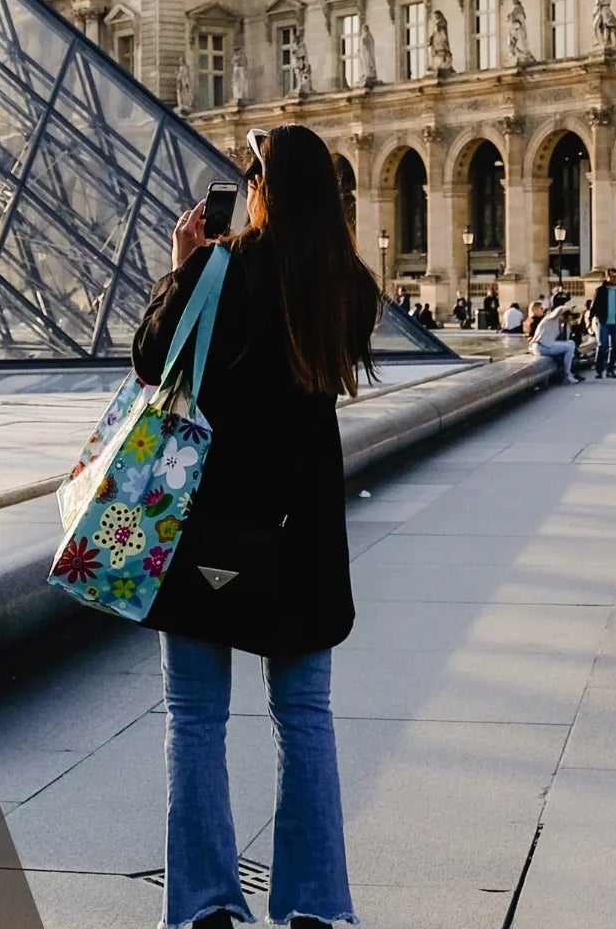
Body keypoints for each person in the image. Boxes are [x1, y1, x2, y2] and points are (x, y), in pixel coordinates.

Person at [130, 124, 375, 929]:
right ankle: (316, 906)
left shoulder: (219, 267)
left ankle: (203, 905)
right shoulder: (349, 285)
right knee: (305, 718)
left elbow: (150, 359)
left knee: (194, 720)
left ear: (263, 188)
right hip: (300, 534)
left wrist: (181, 267)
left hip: (205, 522)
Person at [586, 268, 616, 379]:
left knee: (615, 346)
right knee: (602, 345)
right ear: (607, 277)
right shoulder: (600, 290)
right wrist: (589, 320)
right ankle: (599, 370)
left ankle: (610, 370)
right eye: (612, 277)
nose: (615, 279)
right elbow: (594, 306)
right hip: (604, 321)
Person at [532, 303, 585, 382]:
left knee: (571, 343)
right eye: (564, 317)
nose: (565, 320)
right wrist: (565, 309)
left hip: (547, 346)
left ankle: (568, 372)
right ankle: (567, 374)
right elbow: (559, 310)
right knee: (569, 347)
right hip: (541, 347)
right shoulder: (550, 319)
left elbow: (565, 339)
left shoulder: (559, 324)